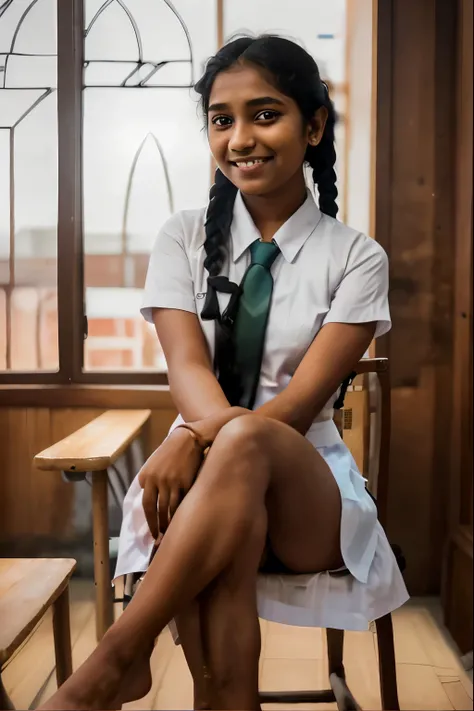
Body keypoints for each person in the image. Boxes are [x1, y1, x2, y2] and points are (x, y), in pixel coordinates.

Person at [40, 35, 409, 711]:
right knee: (225, 530)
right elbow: (186, 367)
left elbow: (300, 404)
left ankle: (119, 656)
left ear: (314, 124)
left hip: (309, 490)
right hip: (200, 483)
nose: (241, 137)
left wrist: (188, 439)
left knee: (239, 447)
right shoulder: (181, 237)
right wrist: (194, 440)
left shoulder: (357, 257)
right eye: (221, 119)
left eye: (265, 114)